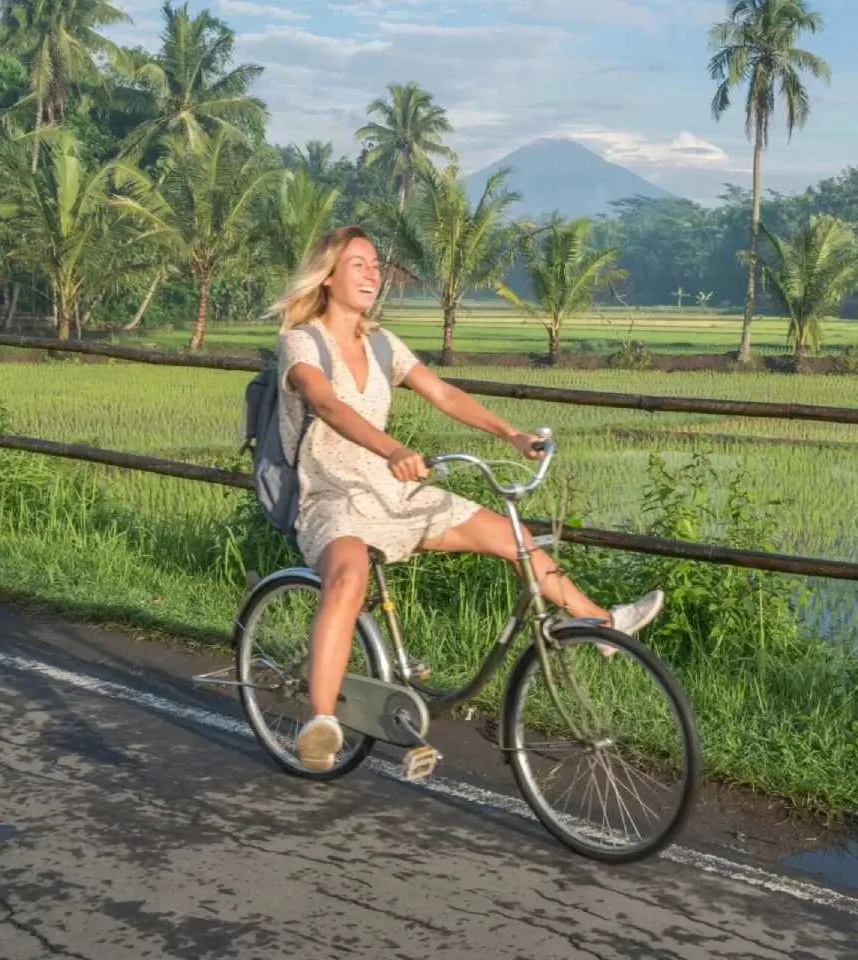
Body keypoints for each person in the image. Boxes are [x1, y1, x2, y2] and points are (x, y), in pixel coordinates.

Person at [267, 225, 664, 770]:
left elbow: (443, 392)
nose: (371, 273)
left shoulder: (382, 342)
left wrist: (511, 435)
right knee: (348, 576)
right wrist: (392, 448)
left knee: (517, 538)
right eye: (357, 263)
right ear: (328, 273)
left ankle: (600, 625)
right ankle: (321, 722)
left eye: (376, 265)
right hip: (331, 496)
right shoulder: (302, 341)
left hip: (394, 492)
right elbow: (328, 405)